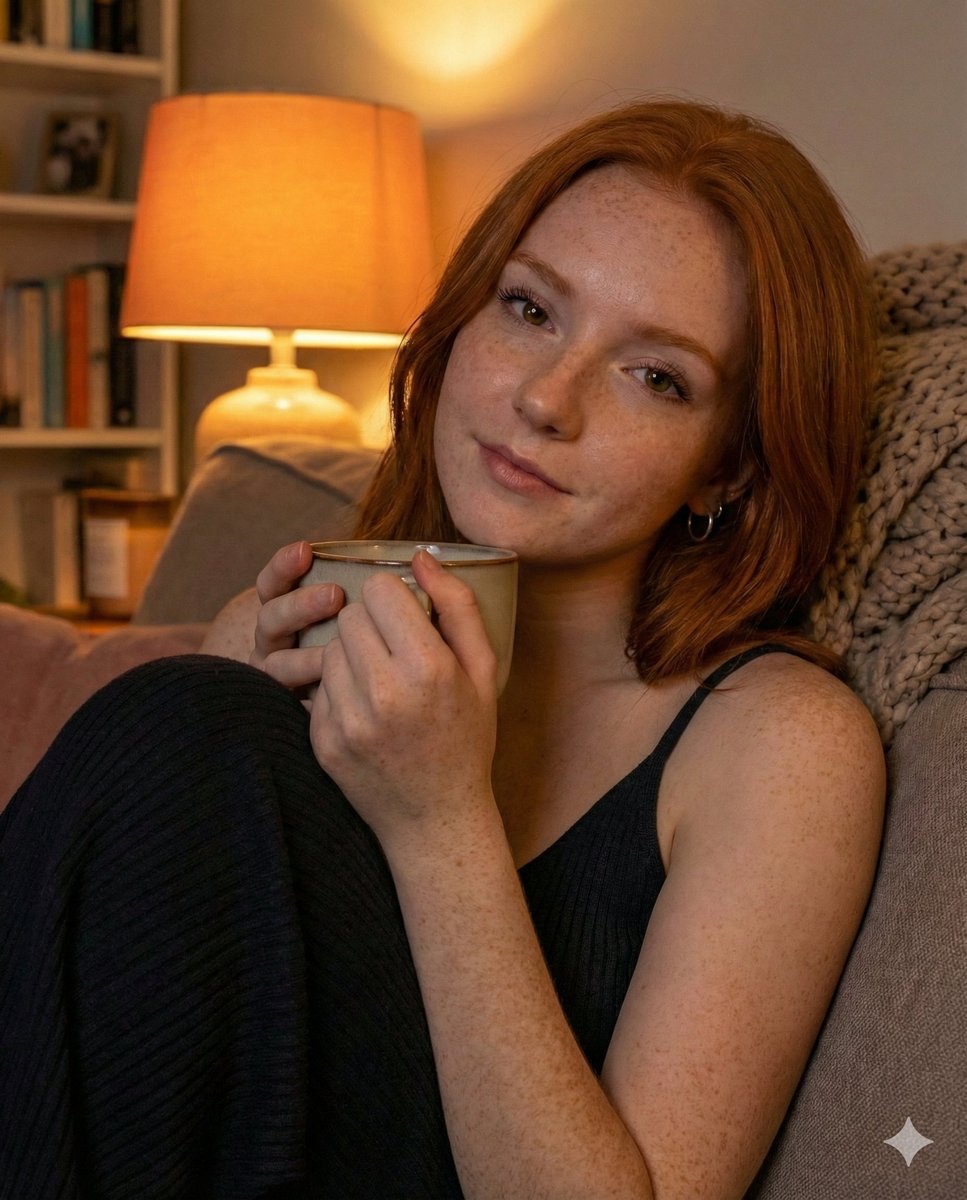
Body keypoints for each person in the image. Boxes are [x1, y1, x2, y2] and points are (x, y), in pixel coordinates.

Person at [0, 98, 885, 1199]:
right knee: (191, 717)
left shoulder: (780, 747)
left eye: (655, 376)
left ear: (729, 469)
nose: (543, 398)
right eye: (527, 309)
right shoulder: (270, 658)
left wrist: (438, 820)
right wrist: (244, 703)